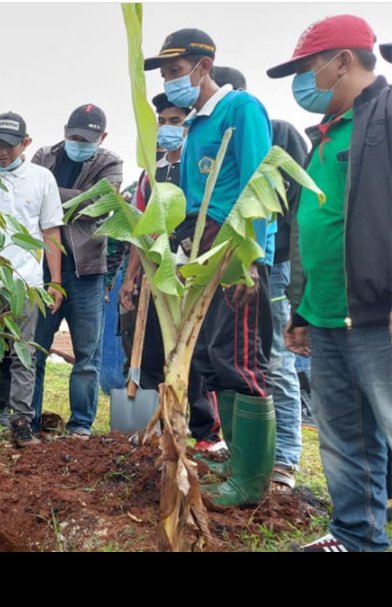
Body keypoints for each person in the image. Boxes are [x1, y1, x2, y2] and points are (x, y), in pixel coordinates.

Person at [268, 15, 391, 551]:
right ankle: (355, 536)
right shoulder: (322, 136)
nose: (304, 81)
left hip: (376, 311)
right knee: (344, 436)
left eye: (308, 67)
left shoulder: (385, 116)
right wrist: (301, 309)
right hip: (327, 313)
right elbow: (311, 228)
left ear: (343, 61)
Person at [145, 27, 276, 507]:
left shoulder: (240, 109)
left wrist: (250, 258)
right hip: (200, 252)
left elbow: (259, 183)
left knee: (240, 360)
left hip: (233, 251)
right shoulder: (195, 125)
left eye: (177, 71)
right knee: (214, 358)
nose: (171, 80)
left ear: (204, 66)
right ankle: (237, 461)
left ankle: (252, 480)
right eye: (165, 73)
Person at [212, 65, 309, 493]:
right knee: (234, 355)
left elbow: (293, 203)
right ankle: (243, 457)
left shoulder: (278, 132)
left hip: (271, 261)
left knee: (273, 358)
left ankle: (284, 458)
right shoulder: (211, 139)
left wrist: (262, 256)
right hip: (228, 262)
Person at [0, 112, 64, 446]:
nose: (2, 152)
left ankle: (21, 421)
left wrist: (54, 282)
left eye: (9, 145)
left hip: (26, 283)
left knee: (23, 354)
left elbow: (50, 232)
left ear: (26, 143)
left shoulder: (42, 179)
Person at [29, 104, 124, 438]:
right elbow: (32, 197)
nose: (79, 143)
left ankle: (81, 424)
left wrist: (51, 195)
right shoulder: (44, 156)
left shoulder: (111, 163)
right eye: (74, 137)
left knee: (87, 354)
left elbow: (99, 205)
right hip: (43, 269)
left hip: (88, 271)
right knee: (34, 349)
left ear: (102, 137)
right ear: (64, 132)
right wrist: (79, 198)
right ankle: (28, 419)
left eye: (87, 140)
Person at [117, 94, 189, 395]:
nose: (167, 127)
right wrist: (130, 277)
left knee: (186, 348)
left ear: (188, 125)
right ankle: (152, 410)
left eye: (175, 121)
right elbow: (140, 230)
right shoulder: (150, 173)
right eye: (162, 121)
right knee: (149, 347)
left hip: (186, 272)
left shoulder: (194, 168)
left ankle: (189, 414)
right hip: (153, 273)